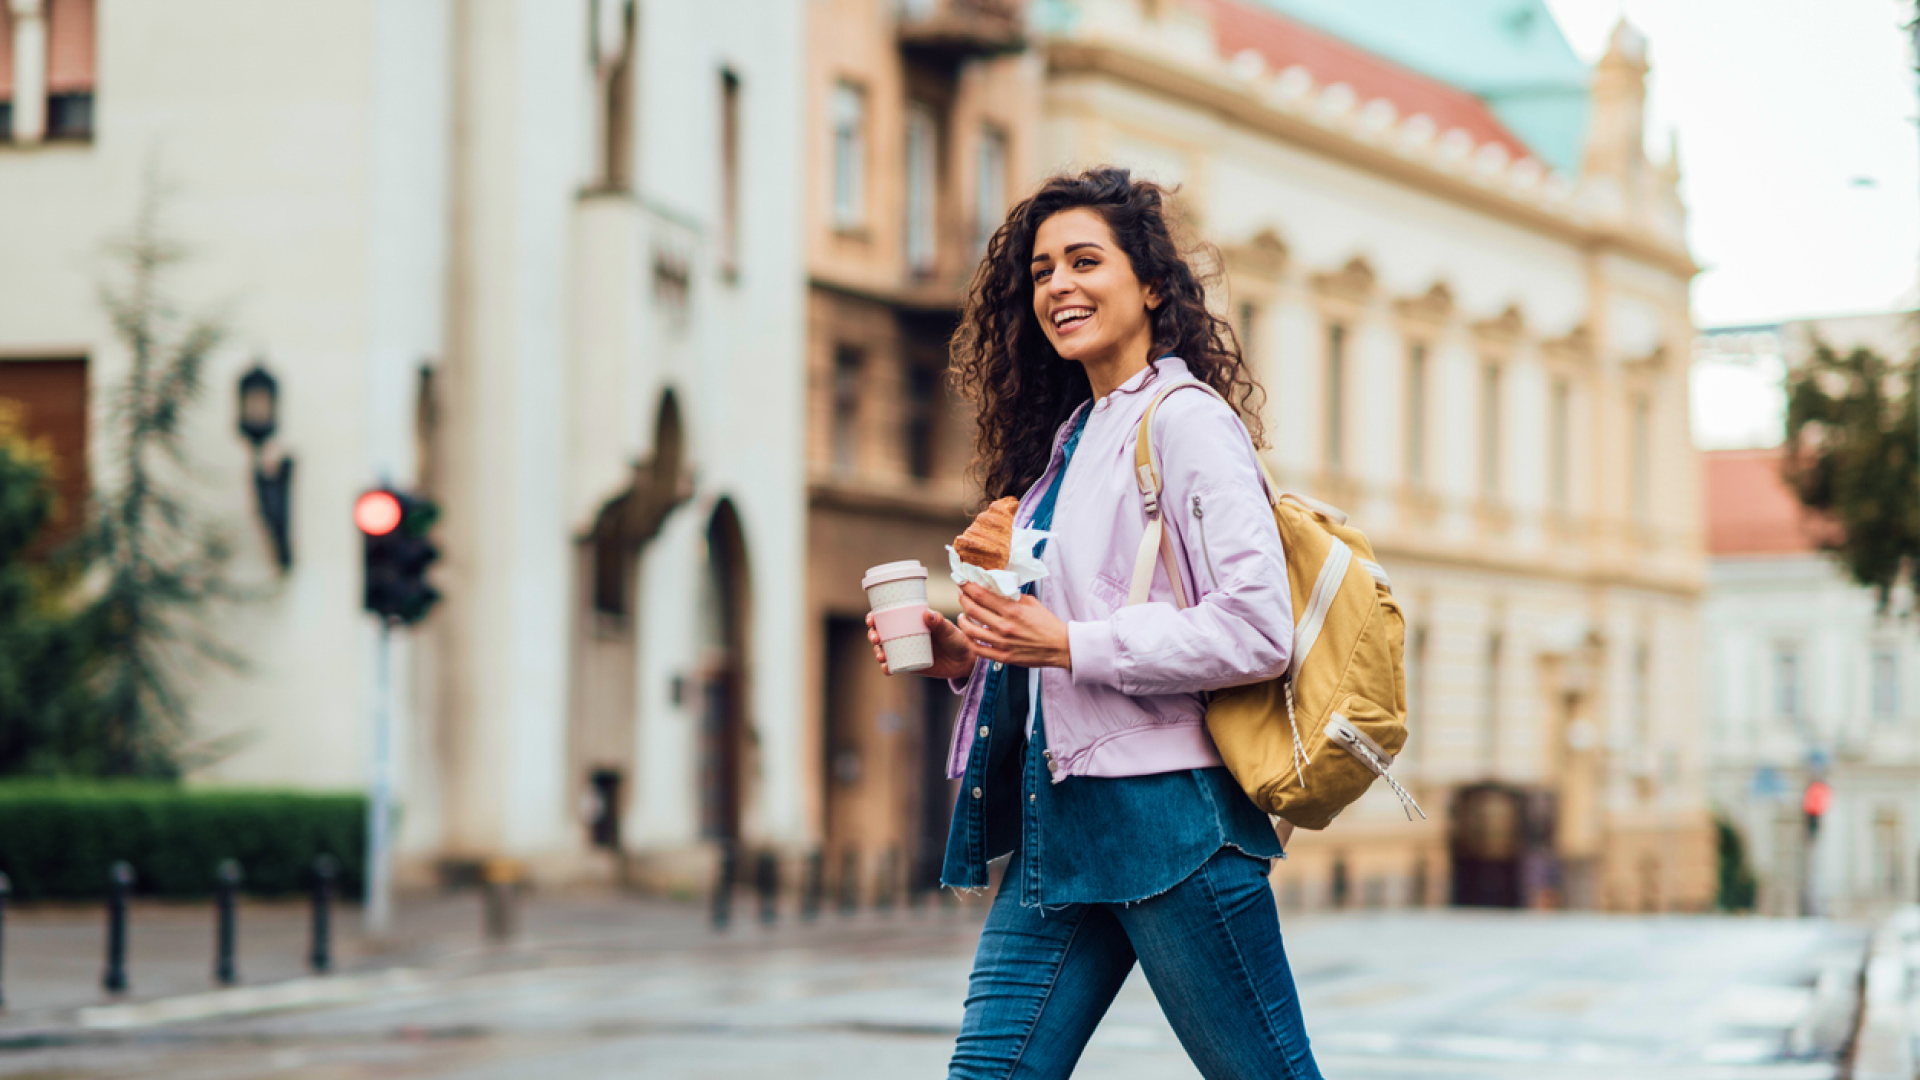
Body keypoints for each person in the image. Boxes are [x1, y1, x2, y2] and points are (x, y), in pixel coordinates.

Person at [863, 167, 1321, 1079]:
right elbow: (1055, 639)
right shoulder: (1073, 439)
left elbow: (1258, 629)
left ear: (1151, 283)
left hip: (1170, 826)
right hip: (1059, 817)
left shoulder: (1187, 423)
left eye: (1084, 261)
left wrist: (1069, 645)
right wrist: (967, 652)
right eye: (1040, 271)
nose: (1059, 286)